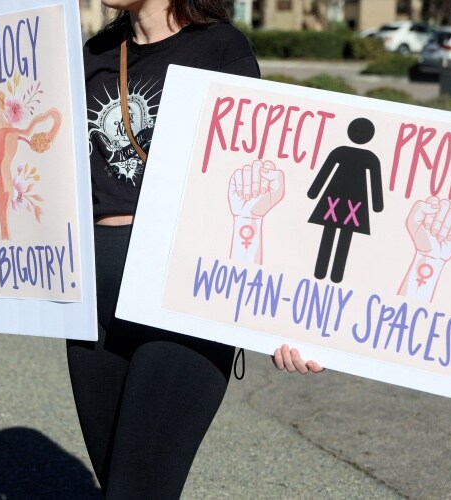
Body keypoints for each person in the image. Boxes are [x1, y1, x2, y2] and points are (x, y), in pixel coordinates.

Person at [66, 1, 323, 498]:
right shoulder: (94, 53)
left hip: (181, 298)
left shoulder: (221, 49)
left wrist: (294, 315)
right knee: (119, 484)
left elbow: (264, 175)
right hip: (95, 302)